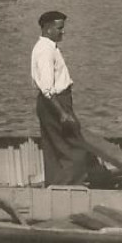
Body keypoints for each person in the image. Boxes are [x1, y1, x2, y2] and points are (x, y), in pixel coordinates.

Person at [31, 10, 97, 185]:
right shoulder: (46, 51)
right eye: (60, 28)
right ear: (48, 28)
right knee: (75, 148)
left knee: (54, 149)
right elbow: (47, 88)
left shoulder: (47, 47)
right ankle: (70, 187)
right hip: (55, 102)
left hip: (50, 103)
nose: (63, 32)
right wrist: (62, 113)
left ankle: (55, 187)